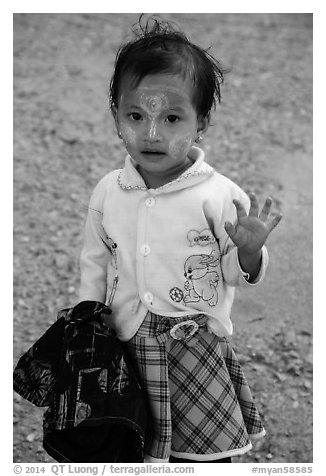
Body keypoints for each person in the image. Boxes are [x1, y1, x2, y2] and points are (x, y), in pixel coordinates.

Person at [78, 15, 282, 463]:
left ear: (201, 122)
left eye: (172, 118)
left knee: (202, 455)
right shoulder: (109, 191)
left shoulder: (219, 195)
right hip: (126, 342)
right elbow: (96, 259)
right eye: (136, 115)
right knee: (130, 443)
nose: (152, 133)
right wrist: (85, 316)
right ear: (116, 118)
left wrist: (248, 252)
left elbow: (231, 271)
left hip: (195, 347)